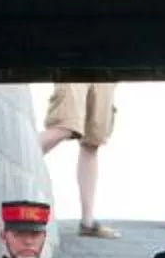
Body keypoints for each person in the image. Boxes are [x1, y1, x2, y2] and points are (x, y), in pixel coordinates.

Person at [40, 81, 121, 238]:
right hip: (74, 64)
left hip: (104, 68)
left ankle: (87, 223)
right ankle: (17, 156)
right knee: (64, 127)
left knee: (93, 141)